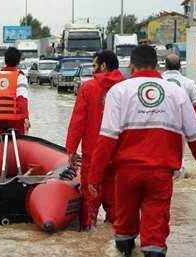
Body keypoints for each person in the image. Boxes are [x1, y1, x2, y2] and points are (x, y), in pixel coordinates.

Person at [86, 45, 196, 257]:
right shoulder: (177, 92)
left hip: (126, 175)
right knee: (155, 232)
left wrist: (94, 177)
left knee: (124, 226)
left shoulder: (119, 91)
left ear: (131, 65)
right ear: (157, 65)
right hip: (161, 175)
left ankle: (124, 251)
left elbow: (106, 139)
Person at [65, 50, 124, 230]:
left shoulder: (88, 88)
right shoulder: (126, 87)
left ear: (103, 66)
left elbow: (78, 121)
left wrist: (71, 149)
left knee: (90, 205)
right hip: (119, 155)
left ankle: (88, 240)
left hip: (93, 154)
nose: (93, 69)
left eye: (94, 65)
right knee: (116, 206)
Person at [162, 53, 196, 178]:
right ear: (180, 67)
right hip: (180, 127)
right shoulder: (189, 83)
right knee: (178, 156)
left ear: (165, 66)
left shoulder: (158, 81)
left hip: (157, 124)